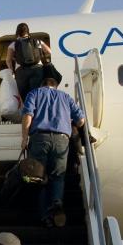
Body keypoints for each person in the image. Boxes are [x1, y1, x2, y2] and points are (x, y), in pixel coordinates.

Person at [21, 78, 85, 228]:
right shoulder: (66, 97)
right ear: (55, 86)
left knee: (39, 177)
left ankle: (45, 216)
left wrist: (24, 137)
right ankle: (57, 202)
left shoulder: (34, 93)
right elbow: (81, 120)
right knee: (58, 176)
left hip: (39, 138)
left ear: (42, 85)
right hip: (62, 139)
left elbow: (27, 116)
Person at [6, 23, 53, 102]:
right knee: (37, 93)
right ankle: (38, 111)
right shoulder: (37, 41)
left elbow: (8, 60)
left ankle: (28, 112)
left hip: (21, 71)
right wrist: (41, 55)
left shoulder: (13, 44)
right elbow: (49, 51)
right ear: (28, 31)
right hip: (37, 69)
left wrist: (12, 70)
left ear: (17, 32)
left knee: (24, 94)